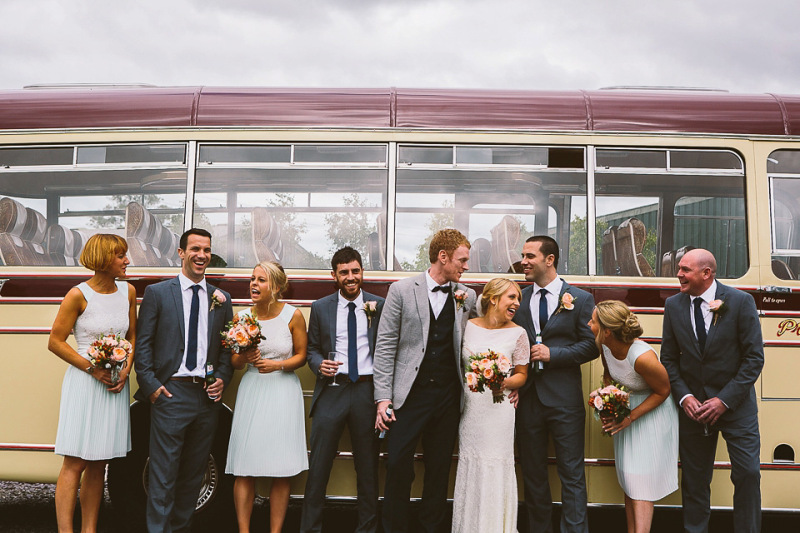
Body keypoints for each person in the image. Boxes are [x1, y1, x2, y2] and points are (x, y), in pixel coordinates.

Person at [374, 228, 477, 533]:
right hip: (409, 396)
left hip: (447, 396)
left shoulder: (467, 296)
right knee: (397, 467)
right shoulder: (401, 290)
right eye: (462, 260)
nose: (466, 266)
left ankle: (431, 528)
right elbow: (386, 346)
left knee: (439, 468)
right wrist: (383, 398)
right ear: (442, 257)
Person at [134, 228, 234, 533]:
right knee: (163, 474)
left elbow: (227, 348)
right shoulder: (158, 293)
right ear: (181, 253)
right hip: (170, 392)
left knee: (194, 474)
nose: (201, 255)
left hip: (206, 397)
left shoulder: (221, 298)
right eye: (195, 249)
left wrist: (223, 378)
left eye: (206, 250)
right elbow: (144, 344)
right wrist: (151, 386)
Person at [660, 248, 763, 533]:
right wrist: (684, 397)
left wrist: (724, 400)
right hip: (693, 409)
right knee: (694, 478)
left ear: (706, 273)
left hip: (736, 407)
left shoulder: (741, 302)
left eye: (684, 269)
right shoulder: (673, 306)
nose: (678, 274)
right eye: (679, 269)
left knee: (748, 474)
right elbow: (668, 358)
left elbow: (754, 358)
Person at [48, 234, 137, 533]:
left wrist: (125, 370)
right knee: (75, 462)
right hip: (85, 384)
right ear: (102, 259)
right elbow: (55, 342)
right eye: (120, 255)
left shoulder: (128, 292)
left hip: (114, 384)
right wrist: (91, 369)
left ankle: (89, 530)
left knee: (100, 463)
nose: (127, 261)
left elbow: (132, 337)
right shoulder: (78, 294)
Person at [510, 235, 597, 533]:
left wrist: (554, 354)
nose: (524, 261)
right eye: (523, 255)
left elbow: (591, 347)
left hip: (564, 402)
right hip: (527, 400)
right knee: (533, 475)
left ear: (550, 260)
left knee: (571, 475)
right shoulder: (517, 298)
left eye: (530, 256)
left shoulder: (581, 299)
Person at [300, 247, 384, 533]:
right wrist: (317, 364)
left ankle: (367, 529)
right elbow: (311, 350)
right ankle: (310, 528)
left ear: (362, 272)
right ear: (334, 275)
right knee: (319, 466)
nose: (351, 277)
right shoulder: (320, 307)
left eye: (355, 271)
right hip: (332, 391)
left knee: (368, 468)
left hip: (366, 391)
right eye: (344, 273)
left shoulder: (379, 305)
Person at [226, 261, 308, 533]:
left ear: (275, 286)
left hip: (283, 392)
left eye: (260, 280)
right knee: (244, 466)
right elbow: (235, 363)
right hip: (253, 391)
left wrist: (277, 365)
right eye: (252, 279)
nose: (253, 284)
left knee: (281, 467)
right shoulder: (243, 318)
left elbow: (301, 356)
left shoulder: (293, 316)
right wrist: (244, 356)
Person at [589, 300, 678, 533]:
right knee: (629, 479)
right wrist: (610, 402)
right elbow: (609, 376)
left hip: (652, 413)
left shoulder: (641, 357)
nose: (589, 324)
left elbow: (663, 391)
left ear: (607, 331)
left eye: (593, 321)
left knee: (641, 484)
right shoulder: (605, 345)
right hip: (627, 412)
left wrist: (629, 417)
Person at [451, 277, 529, 533]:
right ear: (493, 298)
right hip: (472, 411)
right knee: (472, 464)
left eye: (518, 298)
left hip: (499, 413)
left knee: (495, 465)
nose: (516, 303)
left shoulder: (518, 333)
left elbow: (522, 374)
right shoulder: (468, 326)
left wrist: (505, 383)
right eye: (511, 297)